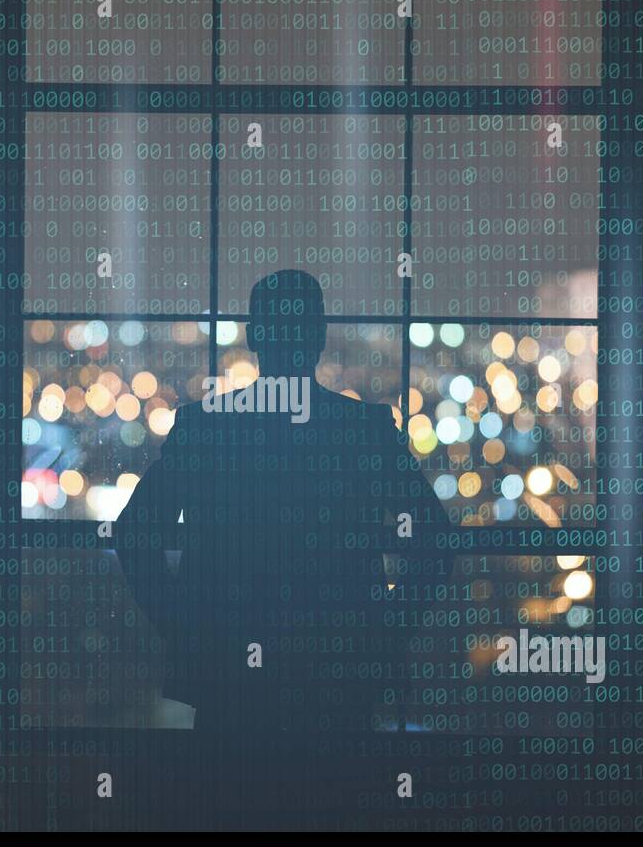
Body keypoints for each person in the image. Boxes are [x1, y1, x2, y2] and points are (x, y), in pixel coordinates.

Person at [117, 268, 452, 752]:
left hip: (228, 675)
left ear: (255, 336)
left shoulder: (205, 429)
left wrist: (183, 624)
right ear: (318, 336)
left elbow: (136, 533)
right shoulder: (365, 431)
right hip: (339, 676)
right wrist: (382, 627)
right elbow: (434, 542)